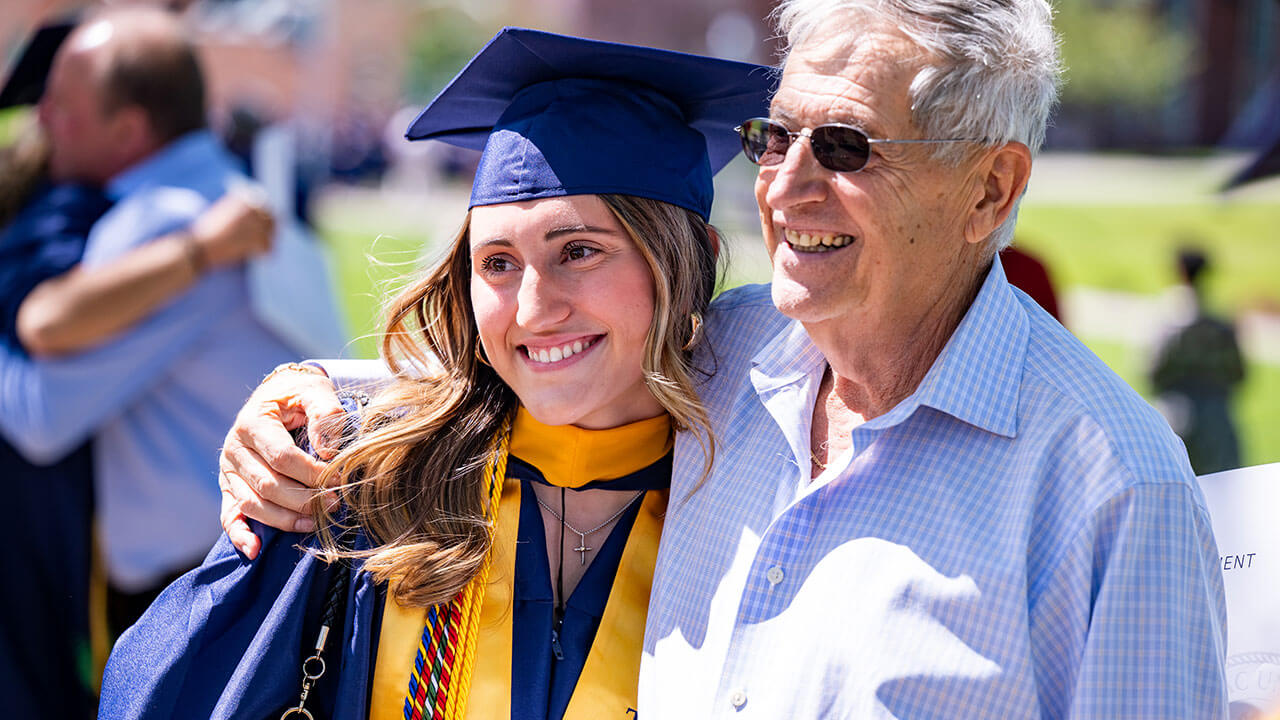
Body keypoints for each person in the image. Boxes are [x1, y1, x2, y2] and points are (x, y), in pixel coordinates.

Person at [221, 2, 1229, 717]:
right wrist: (299, 401)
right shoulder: (731, 356)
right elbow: (533, 360)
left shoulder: (1108, 489)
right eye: (772, 137)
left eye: (841, 146)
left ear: (988, 190)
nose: (783, 189)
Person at [98, 28, 772, 720]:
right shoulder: (369, 487)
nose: (534, 310)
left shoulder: (762, 504)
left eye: (578, 250)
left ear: (689, 263)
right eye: (498, 263)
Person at [0, 22, 275, 716]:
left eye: (63, 104)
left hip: (200, 582)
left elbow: (39, 418)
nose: (40, 119)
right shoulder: (233, 194)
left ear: (127, 129)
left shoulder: (161, 221)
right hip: (242, 560)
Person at [1151, 247, 1246, 474]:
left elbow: (1151, 371)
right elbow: (1239, 374)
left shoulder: (1167, 321)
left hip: (1174, 415)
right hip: (1216, 419)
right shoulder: (1221, 323)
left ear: (1179, 270)